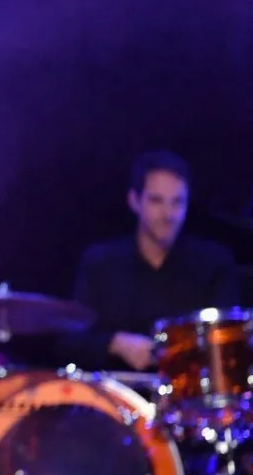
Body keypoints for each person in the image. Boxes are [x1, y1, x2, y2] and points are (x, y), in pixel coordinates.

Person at [58, 150, 239, 373]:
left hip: (187, 390)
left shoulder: (214, 263)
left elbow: (228, 345)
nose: (169, 214)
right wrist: (114, 343)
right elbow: (69, 343)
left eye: (177, 202)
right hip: (115, 390)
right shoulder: (100, 262)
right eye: (156, 201)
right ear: (134, 201)